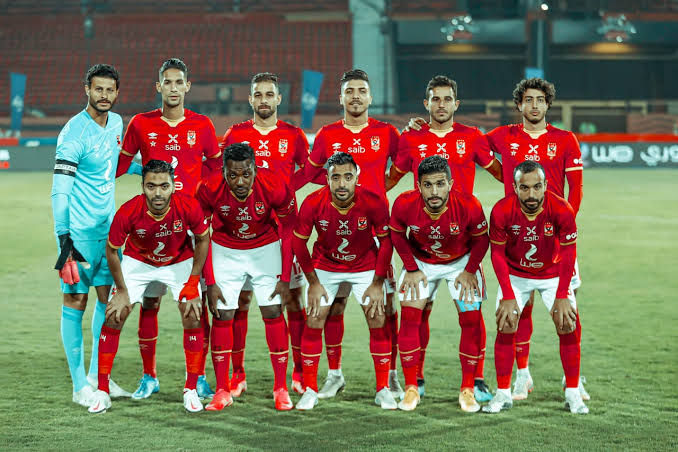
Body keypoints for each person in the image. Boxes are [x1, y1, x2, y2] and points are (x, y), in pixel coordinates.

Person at [386, 75, 501, 402]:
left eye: (447, 99)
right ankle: (416, 379)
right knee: (418, 312)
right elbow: (391, 178)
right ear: (426, 103)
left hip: (463, 245)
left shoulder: (472, 136)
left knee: (472, 314)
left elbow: (500, 173)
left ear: (456, 104)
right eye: (435, 99)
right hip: (422, 244)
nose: (441, 104)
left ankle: (476, 379)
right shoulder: (411, 137)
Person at [116, 58, 222, 400]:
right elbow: (119, 165)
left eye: (179, 82)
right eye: (167, 82)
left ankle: (199, 377)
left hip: (191, 226)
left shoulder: (202, 125)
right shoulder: (140, 123)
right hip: (153, 222)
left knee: (196, 304)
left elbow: (216, 168)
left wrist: (203, 201)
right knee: (149, 302)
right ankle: (149, 376)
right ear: (158, 87)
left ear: (187, 86)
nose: (173, 88)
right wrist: (133, 170)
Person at [300, 69, 403, 400]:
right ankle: (334, 375)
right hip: (336, 227)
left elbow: (405, 163)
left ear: (370, 97)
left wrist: (380, 189)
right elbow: (310, 173)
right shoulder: (328, 134)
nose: (355, 96)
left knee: (384, 307)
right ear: (341, 97)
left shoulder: (387, 132)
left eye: (361, 90)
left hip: (374, 229)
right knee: (335, 306)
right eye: (349, 91)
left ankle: (390, 376)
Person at [485, 78, 587, 401]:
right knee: (520, 309)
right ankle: (522, 374)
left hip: (555, 236)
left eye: (539, 100)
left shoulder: (565, 139)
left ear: (547, 104)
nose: (534, 105)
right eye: (528, 99)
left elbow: (576, 189)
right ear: (519, 104)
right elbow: (472, 145)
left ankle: (573, 379)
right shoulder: (504, 136)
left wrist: (562, 225)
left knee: (568, 311)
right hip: (517, 233)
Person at [87, 160, 210, 414]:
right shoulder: (129, 211)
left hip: (178, 261)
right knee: (114, 314)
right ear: (143, 186)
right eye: (151, 186)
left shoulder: (188, 206)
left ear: (173, 186)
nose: (157, 193)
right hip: (139, 261)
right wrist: (122, 292)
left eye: (164, 186)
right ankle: (102, 391)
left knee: (193, 313)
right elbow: (112, 250)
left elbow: (202, 239)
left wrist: (193, 281)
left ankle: (190, 389)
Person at [220, 72, 310, 396]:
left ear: (278, 98)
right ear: (250, 99)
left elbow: (309, 169)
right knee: (241, 301)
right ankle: (238, 374)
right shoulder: (236, 134)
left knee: (292, 299)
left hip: (284, 230)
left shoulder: (293, 135)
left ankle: (299, 372)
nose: (263, 100)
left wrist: (285, 190)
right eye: (258, 95)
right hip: (245, 232)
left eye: (269, 94)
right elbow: (221, 172)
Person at [51, 63, 131, 406]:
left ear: (117, 92)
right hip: (79, 237)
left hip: (108, 236)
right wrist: (64, 239)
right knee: (75, 302)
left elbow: (112, 167)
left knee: (108, 302)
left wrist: (150, 168)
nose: (104, 95)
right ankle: (78, 386)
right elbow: (60, 191)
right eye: (98, 89)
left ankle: (100, 378)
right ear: (87, 89)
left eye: (110, 90)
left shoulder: (116, 123)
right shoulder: (73, 133)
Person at [196, 142, 296, 411]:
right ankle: (222, 390)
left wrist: (285, 277)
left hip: (265, 247)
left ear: (255, 169)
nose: (240, 181)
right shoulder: (208, 188)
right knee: (222, 313)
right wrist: (210, 282)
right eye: (232, 175)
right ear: (223, 172)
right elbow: (202, 235)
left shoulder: (275, 185)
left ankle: (280, 388)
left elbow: (289, 231)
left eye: (246, 174)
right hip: (225, 248)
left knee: (273, 310)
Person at [482, 161, 588, 414]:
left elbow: (569, 252)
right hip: (516, 274)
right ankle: (503, 394)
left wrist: (562, 294)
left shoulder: (561, 209)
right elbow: (497, 255)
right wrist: (508, 294)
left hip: (553, 273)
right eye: (525, 188)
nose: (531, 194)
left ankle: (573, 392)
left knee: (567, 323)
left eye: (537, 187)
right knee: (506, 323)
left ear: (546, 186)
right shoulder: (501, 210)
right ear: (515, 187)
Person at [293, 152, 396, 410]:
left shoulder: (372, 201)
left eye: (348, 177)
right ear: (326, 179)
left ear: (356, 178)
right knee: (315, 318)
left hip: (364, 265)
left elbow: (386, 243)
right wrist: (313, 283)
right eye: (335, 177)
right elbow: (298, 243)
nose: (341, 184)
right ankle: (311, 389)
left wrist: (377, 283)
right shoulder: (313, 202)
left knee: (377, 317)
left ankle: (383, 389)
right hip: (326, 265)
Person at [390, 156, 489, 412]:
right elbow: (397, 234)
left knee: (471, 320)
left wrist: (469, 270)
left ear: (450, 184)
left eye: (440, 184)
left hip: (461, 262)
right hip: (421, 262)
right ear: (418, 186)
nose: (434, 191)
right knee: (410, 317)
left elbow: (482, 240)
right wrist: (411, 268)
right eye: (428, 185)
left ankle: (467, 389)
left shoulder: (468, 204)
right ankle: (411, 388)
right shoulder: (404, 204)